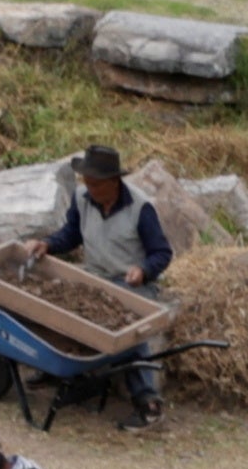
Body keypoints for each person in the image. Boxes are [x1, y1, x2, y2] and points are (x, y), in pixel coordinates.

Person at [41, 146, 173, 431]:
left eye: (96, 184)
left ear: (114, 181)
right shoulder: (82, 198)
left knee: (128, 328)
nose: (90, 189)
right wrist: (48, 244)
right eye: (86, 182)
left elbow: (162, 253)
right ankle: (66, 373)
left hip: (130, 284)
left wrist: (144, 270)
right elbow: (71, 235)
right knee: (55, 303)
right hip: (94, 278)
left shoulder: (141, 208)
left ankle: (148, 402)